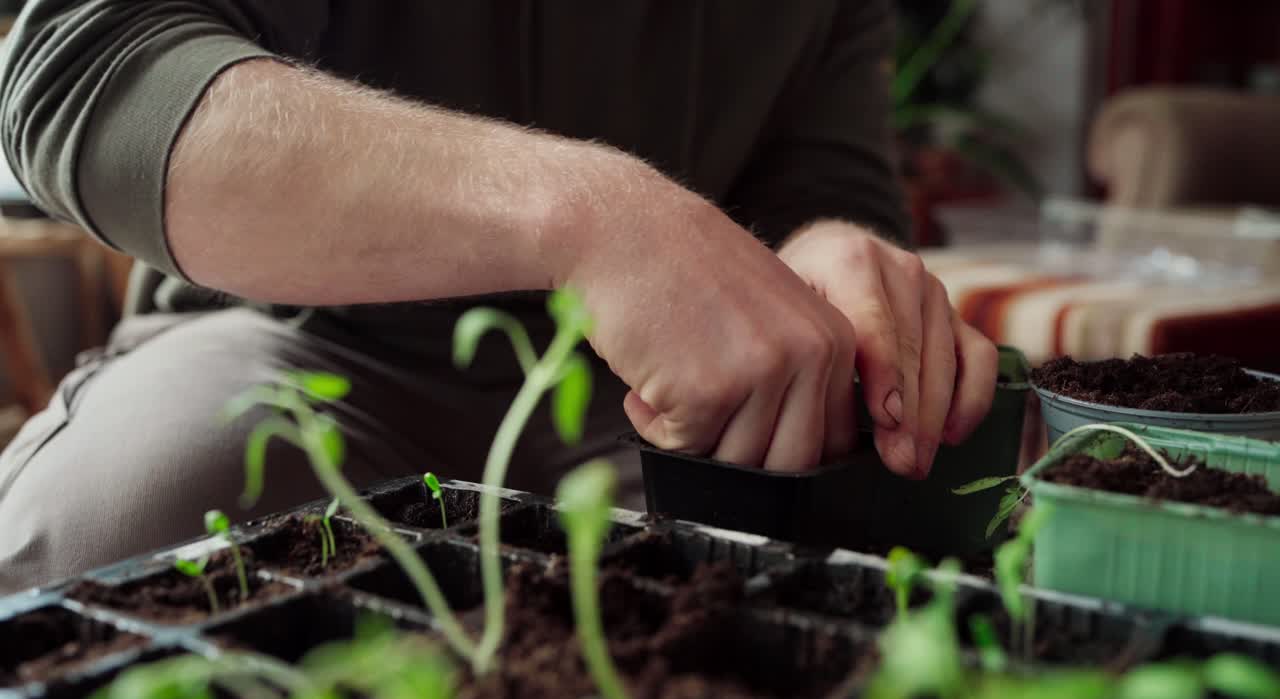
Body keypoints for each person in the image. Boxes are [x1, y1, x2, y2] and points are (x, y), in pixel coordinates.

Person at [0, 0, 997, 593]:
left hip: (665, 407)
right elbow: (93, 73)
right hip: (291, 338)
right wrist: (585, 217)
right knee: (106, 524)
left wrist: (832, 253)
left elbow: (823, 175)